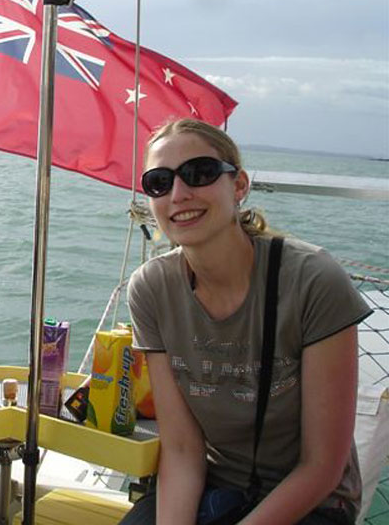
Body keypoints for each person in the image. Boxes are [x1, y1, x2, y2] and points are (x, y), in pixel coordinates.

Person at [120, 119, 372, 525]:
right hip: (215, 487)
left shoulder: (313, 281)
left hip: (313, 502)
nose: (179, 194)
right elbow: (183, 451)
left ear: (238, 186)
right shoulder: (152, 289)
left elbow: (322, 466)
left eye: (199, 173)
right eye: (159, 182)